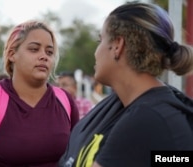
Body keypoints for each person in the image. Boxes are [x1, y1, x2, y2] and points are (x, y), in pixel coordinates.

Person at [59, 2, 193, 167]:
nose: (96, 51)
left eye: (100, 40)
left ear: (117, 45)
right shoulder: (135, 106)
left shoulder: (148, 119)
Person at [0, 20, 79, 167]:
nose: (44, 56)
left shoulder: (65, 101)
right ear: (12, 54)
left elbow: (77, 158)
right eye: (34, 49)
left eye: (49, 52)